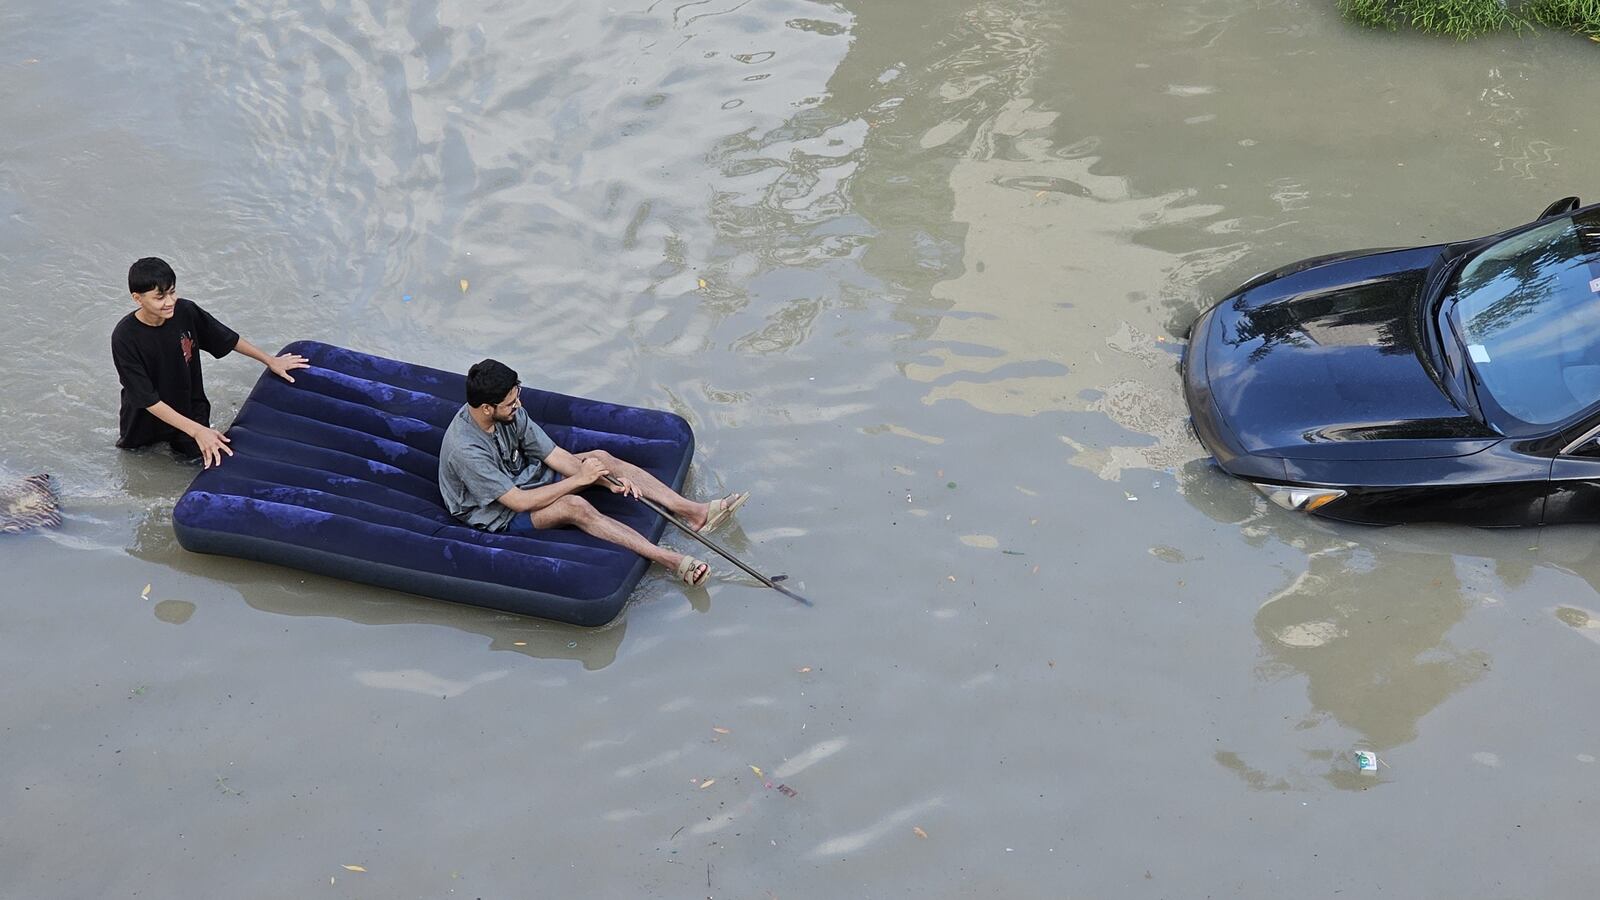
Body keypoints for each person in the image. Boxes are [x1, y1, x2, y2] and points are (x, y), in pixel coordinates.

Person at [437, 358, 748, 587]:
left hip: (522, 475)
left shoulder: (509, 412)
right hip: (498, 512)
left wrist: (604, 479)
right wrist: (580, 480)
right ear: (487, 408)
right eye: (510, 403)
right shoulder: (466, 449)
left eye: (517, 398)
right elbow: (517, 502)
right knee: (575, 506)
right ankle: (668, 559)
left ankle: (694, 512)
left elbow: (554, 454)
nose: (518, 406)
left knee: (599, 458)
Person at [112, 257, 309, 468]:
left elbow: (226, 339)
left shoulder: (186, 312)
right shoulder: (125, 337)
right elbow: (148, 400)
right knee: (141, 471)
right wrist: (198, 431)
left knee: (204, 465)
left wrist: (270, 360)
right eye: (159, 297)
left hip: (190, 408)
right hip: (144, 422)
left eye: (172, 292)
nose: (169, 302)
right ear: (137, 298)